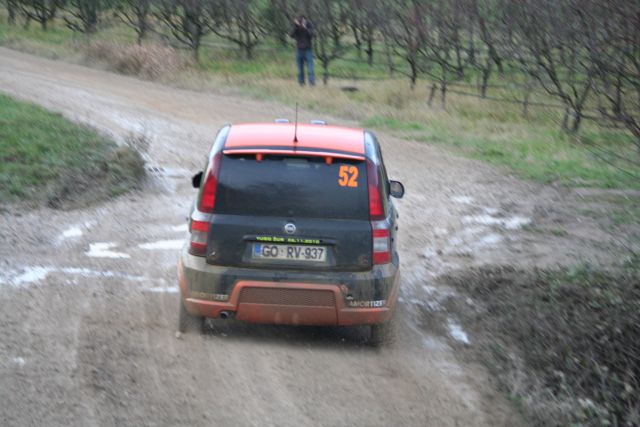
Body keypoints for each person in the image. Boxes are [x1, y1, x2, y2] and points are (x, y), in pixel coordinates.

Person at [290, 15, 316, 86]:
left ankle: (312, 82)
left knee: (310, 67)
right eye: (301, 20)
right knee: (300, 68)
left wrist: (305, 28)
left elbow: (312, 34)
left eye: (303, 20)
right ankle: (301, 83)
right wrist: (296, 26)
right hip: (299, 49)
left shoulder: (309, 25)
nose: (302, 22)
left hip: (308, 49)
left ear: (306, 20)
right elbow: (291, 35)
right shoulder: (297, 27)